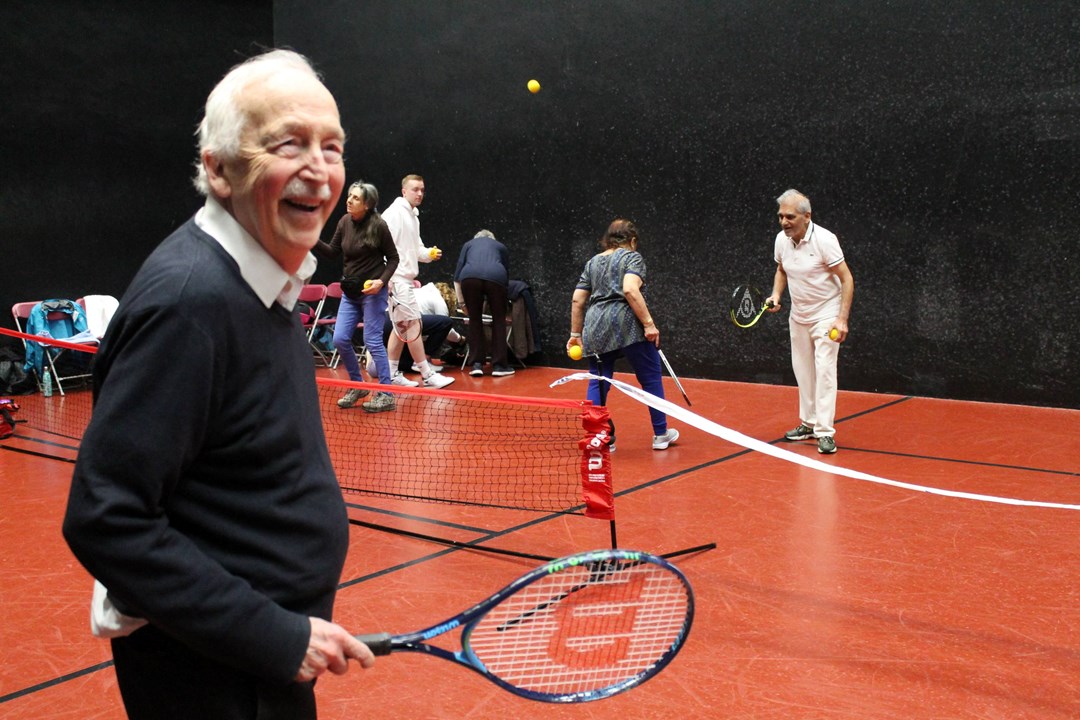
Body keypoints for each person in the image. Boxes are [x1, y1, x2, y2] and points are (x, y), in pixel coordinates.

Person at [61, 49, 374, 720]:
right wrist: (273, 635)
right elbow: (106, 519)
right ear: (219, 168)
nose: (319, 169)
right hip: (216, 679)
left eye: (332, 145)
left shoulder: (262, 281)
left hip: (261, 665)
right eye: (288, 145)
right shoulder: (191, 304)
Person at [568, 219, 679, 451]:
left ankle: (599, 437)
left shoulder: (592, 263)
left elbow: (578, 299)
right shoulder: (632, 258)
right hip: (627, 324)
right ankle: (661, 434)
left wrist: (575, 333)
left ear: (607, 240)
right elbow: (630, 288)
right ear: (633, 241)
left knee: (598, 379)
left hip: (595, 325)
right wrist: (649, 324)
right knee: (650, 377)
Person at [765, 188, 854, 454]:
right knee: (803, 371)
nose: (784, 222)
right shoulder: (781, 240)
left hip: (827, 314)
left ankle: (825, 432)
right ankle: (809, 422)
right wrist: (776, 294)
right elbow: (781, 268)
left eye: (790, 216)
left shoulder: (825, 240)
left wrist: (842, 319)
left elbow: (847, 279)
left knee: (825, 370)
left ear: (807, 216)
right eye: (780, 216)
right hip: (798, 315)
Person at [313, 180, 398, 412]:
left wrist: (381, 282)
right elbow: (332, 252)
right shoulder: (344, 222)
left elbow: (393, 258)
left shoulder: (379, 225)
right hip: (350, 293)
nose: (349, 200)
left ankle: (386, 393)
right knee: (340, 339)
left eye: (356, 198)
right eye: (349, 196)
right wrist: (312, 240)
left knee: (372, 341)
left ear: (368, 204)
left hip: (373, 292)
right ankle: (357, 385)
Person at [380, 174, 454, 388]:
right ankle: (427, 374)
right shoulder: (393, 214)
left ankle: (392, 373)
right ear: (404, 191)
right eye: (415, 189)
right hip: (396, 280)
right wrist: (388, 278)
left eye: (422, 189)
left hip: (406, 281)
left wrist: (428, 254)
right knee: (413, 326)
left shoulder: (414, 217)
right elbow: (381, 246)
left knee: (400, 328)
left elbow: (417, 250)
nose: (420, 193)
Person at [454, 229, 513, 377]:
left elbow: (456, 278)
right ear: (492, 239)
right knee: (498, 320)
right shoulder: (500, 246)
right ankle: (499, 366)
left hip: (469, 277)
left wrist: (462, 303)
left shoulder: (468, 244)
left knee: (474, 319)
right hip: (496, 277)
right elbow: (505, 274)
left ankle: (476, 365)